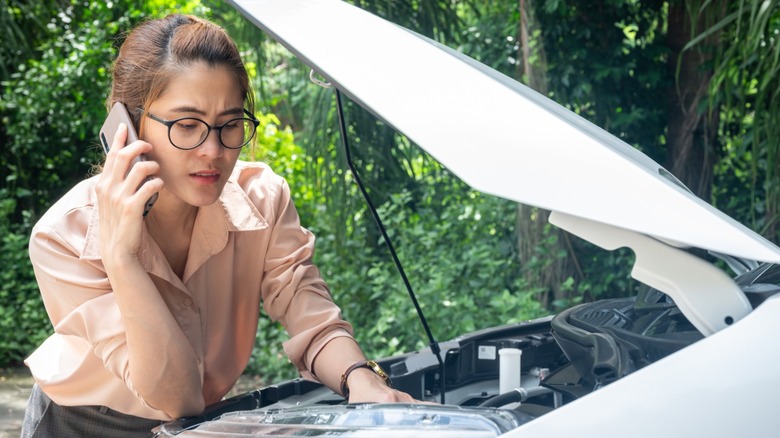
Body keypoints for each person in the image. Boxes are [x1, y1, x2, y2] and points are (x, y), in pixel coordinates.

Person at [21, 14, 416, 437]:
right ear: (127, 126)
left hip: (200, 423)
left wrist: (362, 379)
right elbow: (174, 395)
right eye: (187, 125)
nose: (213, 151)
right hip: (80, 423)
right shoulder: (64, 235)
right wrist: (121, 257)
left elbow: (309, 315)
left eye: (230, 124)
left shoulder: (263, 198)